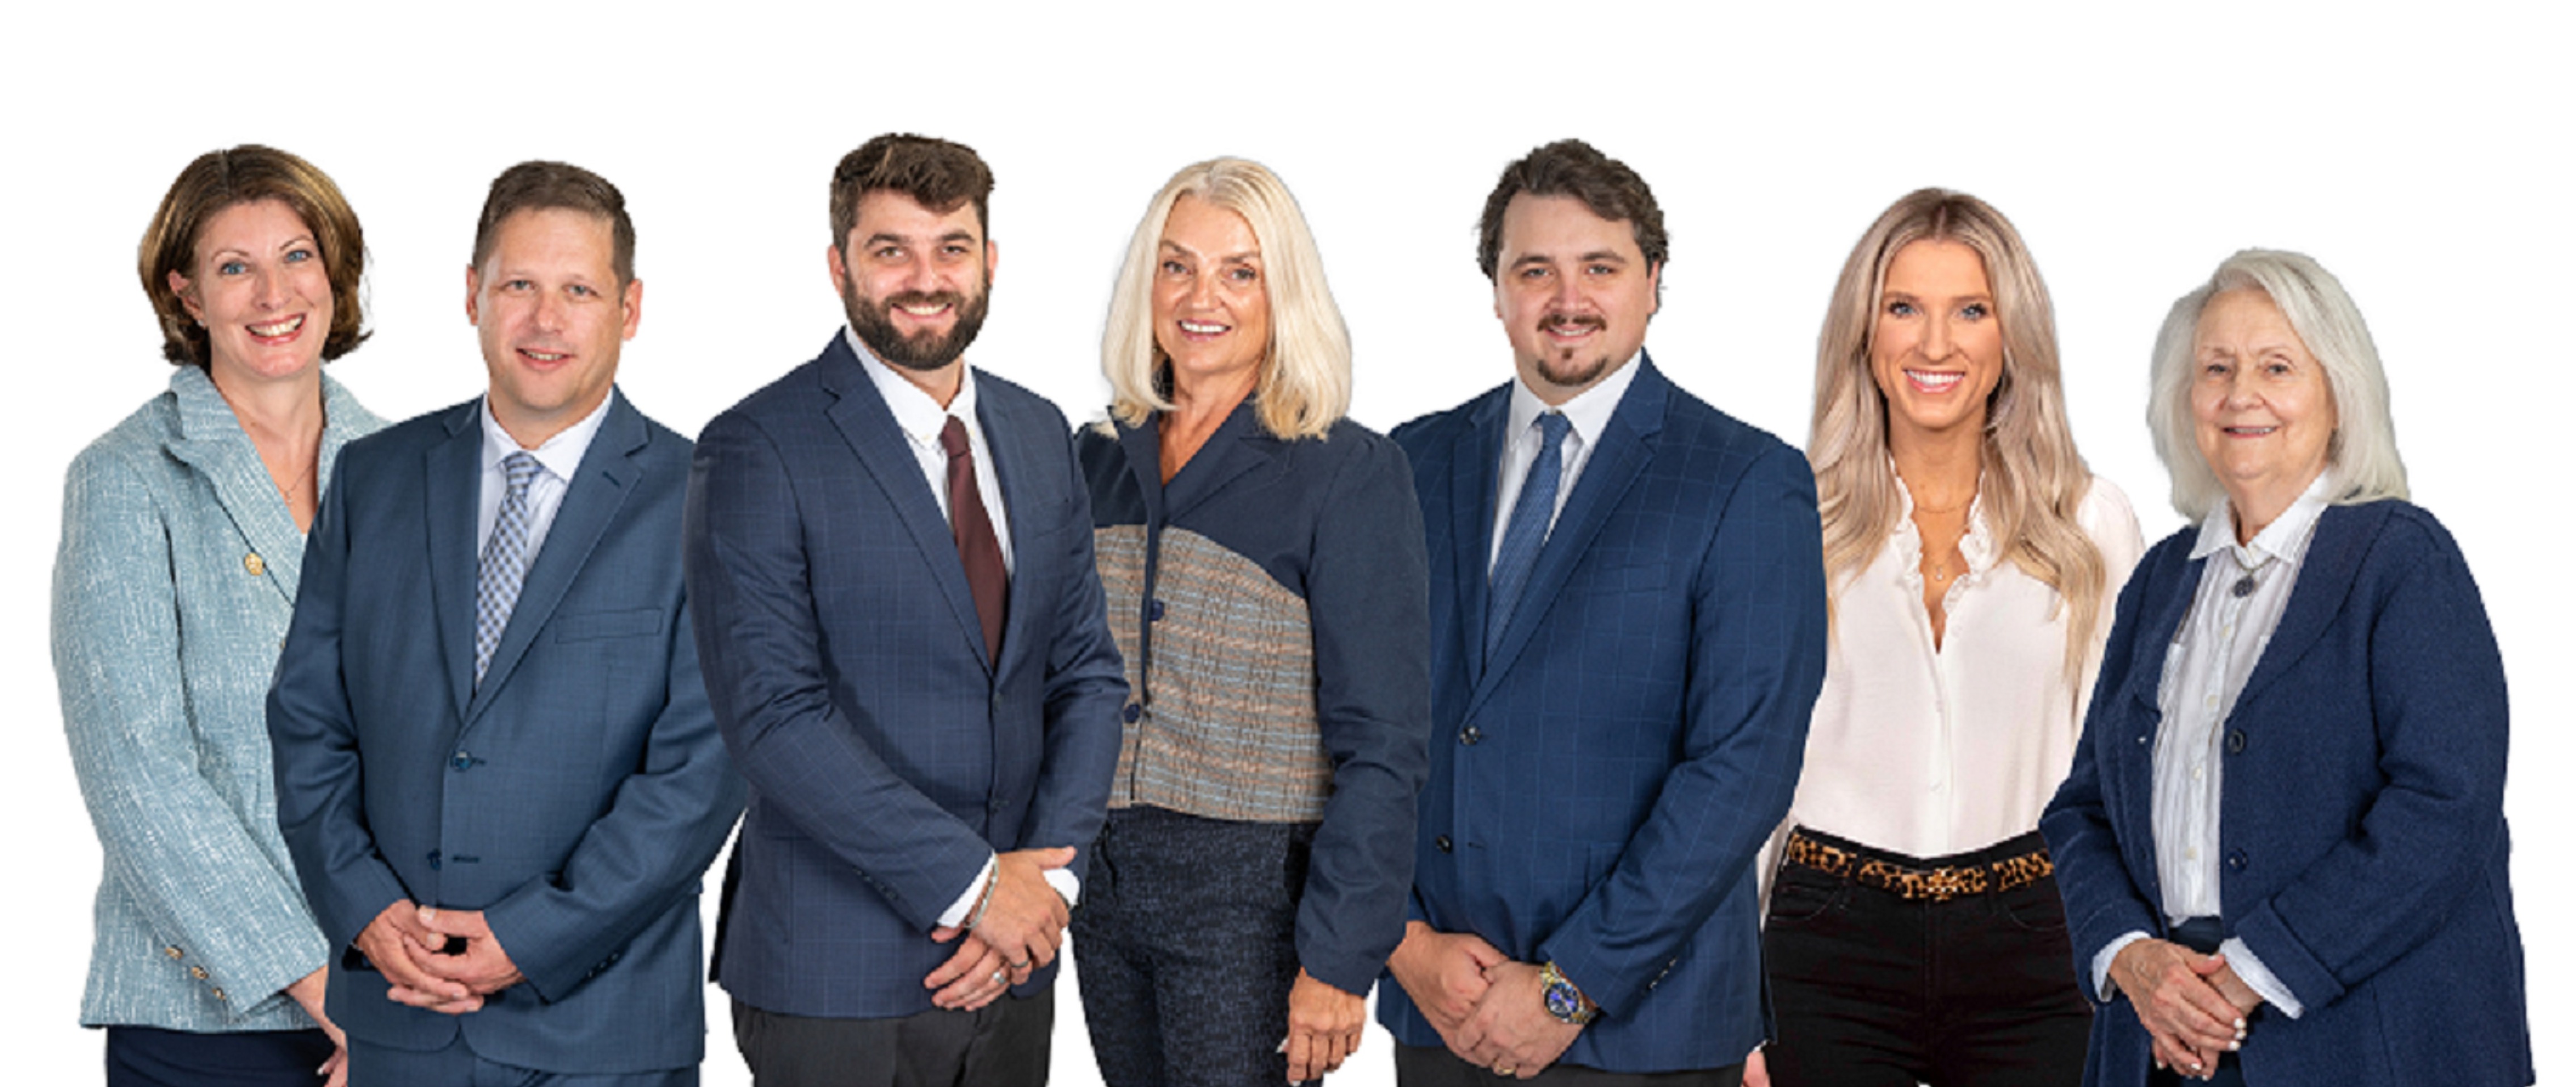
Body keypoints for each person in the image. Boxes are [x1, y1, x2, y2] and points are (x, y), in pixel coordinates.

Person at [267, 160, 746, 1085]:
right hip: (402, 1021)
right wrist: (366, 909)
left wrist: (530, 937)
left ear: (630, 308)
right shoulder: (372, 480)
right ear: (472, 295)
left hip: (601, 1034)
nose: (545, 319)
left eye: (579, 290)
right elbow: (308, 723)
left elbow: (700, 775)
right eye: (519, 285)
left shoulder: (711, 502)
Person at [1380, 138, 1829, 1085]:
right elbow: (1353, 727)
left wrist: (1566, 988)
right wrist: (1404, 942)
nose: (1567, 298)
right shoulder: (1409, 466)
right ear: (1497, 290)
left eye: (1601, 267)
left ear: (1655, 282)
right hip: (1442, 1013)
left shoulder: (1746, 481)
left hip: (1643, 1031)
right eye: (1534, 269)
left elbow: (1742, 770)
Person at [684, 133, 1128, 1087]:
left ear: (990, 262)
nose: (926, 279)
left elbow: (1086, 672)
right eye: (892, 250)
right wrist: (976, 890)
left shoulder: (1040, 431)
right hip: (835, 975)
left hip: (1013, 964)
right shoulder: (758, 446)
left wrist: (1043, 886)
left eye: (952, 249)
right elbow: (773, 718)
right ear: (839, 265)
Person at [2041, 250, 2532, 1086]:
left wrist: (2254, 970)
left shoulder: (2402, 561)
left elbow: (2445, 807)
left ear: (2338, 396)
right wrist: (2131, 957)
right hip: (2166, 1041)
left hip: (2366, 1045)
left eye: (2277, 367)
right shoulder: (2163, 579)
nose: (2242, 395)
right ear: (2184, 400)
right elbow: (2084, 808)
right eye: (2216, 369)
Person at [1752, 190, 2142, 1086]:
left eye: (1971, 310)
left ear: (2014, 339)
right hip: (1825, 934)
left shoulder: (2093, 523)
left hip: (2038, 932)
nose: (1936, 345)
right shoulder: (1784, 518)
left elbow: (2124, 777)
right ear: (1864, 333)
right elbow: (1746, 773)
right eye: (1904, 309)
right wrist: (1730, 1003)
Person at [1071, 157, 1432, 1085]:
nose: (1204, 297)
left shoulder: (1345, 474)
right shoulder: (1094, 459)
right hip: (1100, 887)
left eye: (1241, 271)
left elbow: (1384, 742)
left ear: (1285, 294)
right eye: (1177, 265)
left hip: (1252, 894)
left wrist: (1341, 959)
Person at [56, 144, 384, 1087]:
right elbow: (138, 775)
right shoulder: (124, 479)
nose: (272, 294)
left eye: (297, 257)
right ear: (187, 297)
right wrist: (330, 991)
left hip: (401, 995)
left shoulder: (413, 467)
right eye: (234, 268)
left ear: (335, 274)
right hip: (206, 1021)